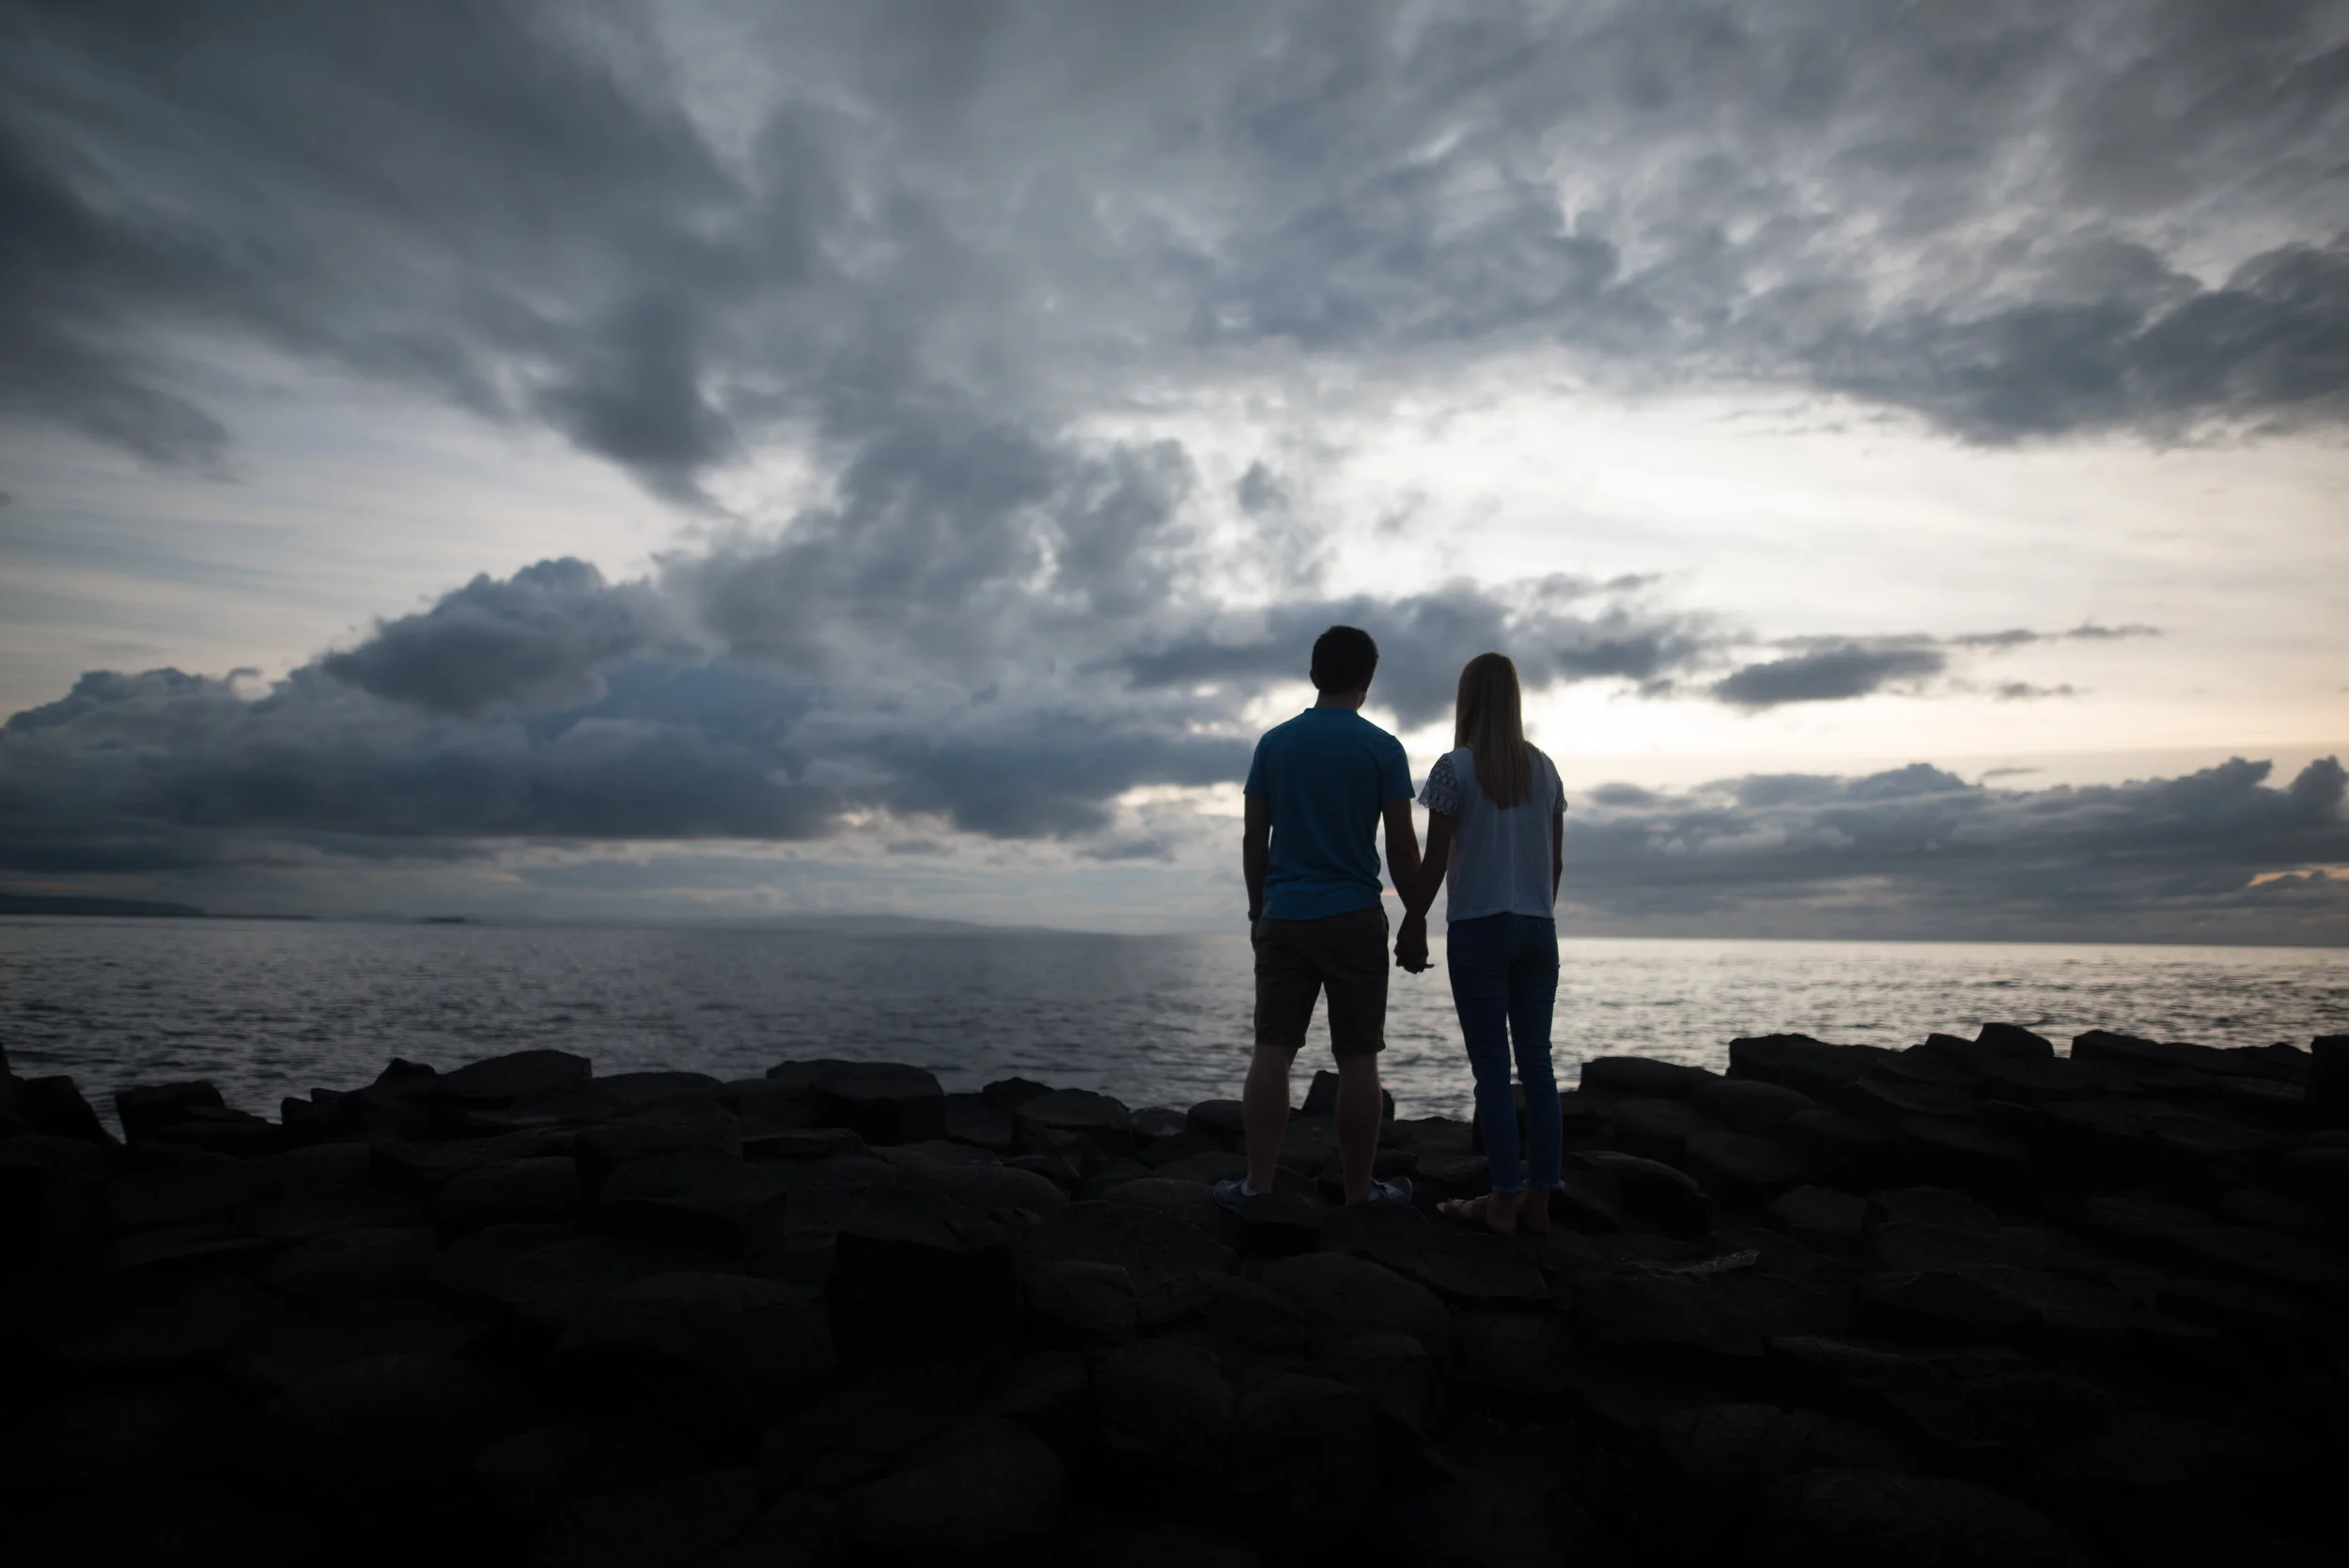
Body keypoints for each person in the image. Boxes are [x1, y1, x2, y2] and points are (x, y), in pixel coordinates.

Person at [1218, 626, 1421, 1211]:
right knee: (1358, 1057)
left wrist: (1260, 908)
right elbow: (1403, 848)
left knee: (1272, 1050)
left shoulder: (1274, 745)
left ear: (1313, 674)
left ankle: (1258, 1185)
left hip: (1284, 913)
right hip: (1354, 914)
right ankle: (1360, 1194)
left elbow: (1256, 839)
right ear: (1367, 680)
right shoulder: (1381, 748)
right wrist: (1416, 916)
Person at [1395, 652, 1567, 1234]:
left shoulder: (1453, 769)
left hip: (1478, 928)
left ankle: (1500, 1200)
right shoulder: (1546, 769)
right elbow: (1555, 865)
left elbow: (1435, 864)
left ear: (1467, 701)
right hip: (1538, 929)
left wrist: (1412, 919)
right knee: (1538, 1068)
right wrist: (1535, 914)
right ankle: (1540, 1201)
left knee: (1493, 1073)